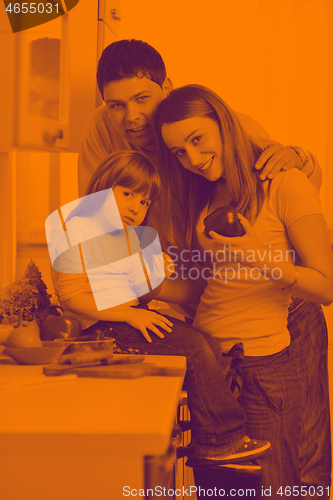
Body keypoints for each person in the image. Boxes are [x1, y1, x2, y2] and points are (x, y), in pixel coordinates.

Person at [78, 40, 331, 492]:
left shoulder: (215, 127)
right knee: (232, 479)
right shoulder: (104, 137)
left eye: (142, 99)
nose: (131, 117)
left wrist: (302, 158)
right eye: (116, 105)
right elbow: (98, 235)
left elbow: (287, 187)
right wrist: (134, 288)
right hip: (211, 322)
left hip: (282, 317)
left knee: (300, 464)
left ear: (166, 88)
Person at [153, 84, 333, 495]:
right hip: (213, 368)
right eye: (180, 152)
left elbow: (325, 286)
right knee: (220, 491)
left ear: (226, 124)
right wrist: (149, 289)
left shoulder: (285, 183)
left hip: (263, 369)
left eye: (197, 140)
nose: (193, 160)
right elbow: (210, 283)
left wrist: (260, 257)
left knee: (270, 488)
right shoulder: (207, 194)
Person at [49, 149, 271, 465]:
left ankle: (208, 432)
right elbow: (71, 297)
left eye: (144, 202)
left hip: (126, 319)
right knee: (195, 346)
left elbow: (140, 291)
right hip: (99, 331)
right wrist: (129, 312)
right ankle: (222, 440)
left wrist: (159, 273)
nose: (136, 207)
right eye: (128, 194)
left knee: (205, 340)